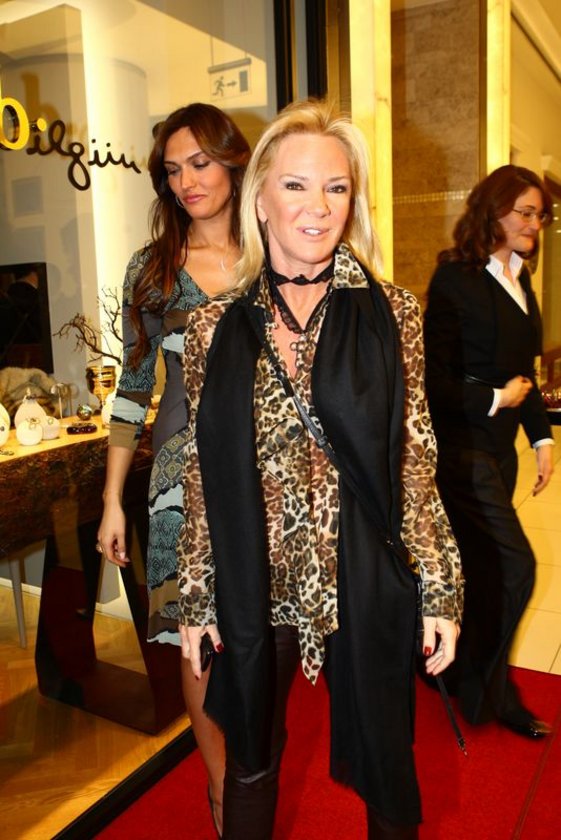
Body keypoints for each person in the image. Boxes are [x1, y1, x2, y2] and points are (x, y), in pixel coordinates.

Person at [177, 99, 462, 840]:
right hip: (254, 577)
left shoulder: (393, 314)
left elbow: (414, 459)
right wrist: (197, 598)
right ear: (260, 200)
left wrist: (439, 587)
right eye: (297, 186)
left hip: (360, 571)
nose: (319, 207)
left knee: (385, 755)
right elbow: (204, 474)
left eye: (336, 187)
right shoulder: (212, 327)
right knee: (250, 756)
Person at [97, 102, 250, 836]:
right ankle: (223, 794)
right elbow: (132, 392)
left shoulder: (276, 251)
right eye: (172, 169)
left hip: (268, 479)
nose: (187, 180)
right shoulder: (153, 270)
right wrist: (112, 501)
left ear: (233, 162)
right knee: (196, 640)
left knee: (257, 638)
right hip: (179, 486)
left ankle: (252, 775)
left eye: (200, 162)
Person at [423, 164, 555, 738]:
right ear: (492, 210)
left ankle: (449, 667)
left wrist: (542, 438)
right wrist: (498, 398)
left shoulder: (521, 280)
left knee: (479, 572)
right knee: (515, 568)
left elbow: (525, 371)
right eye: (524, 212)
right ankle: (493, 694)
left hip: (500, 453)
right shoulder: (455, 278)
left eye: (540, 216)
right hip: (462, 451)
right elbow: (433, 380)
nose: (534, 224)